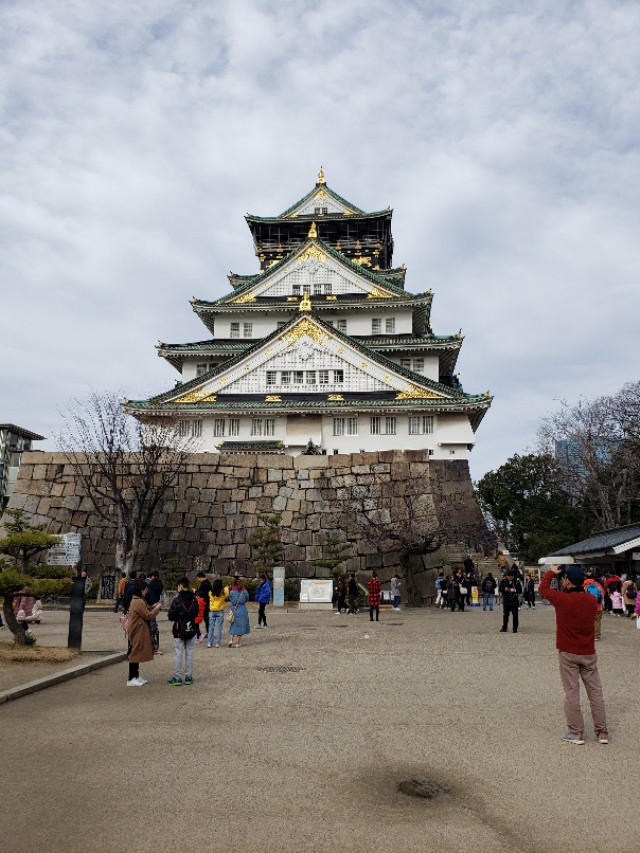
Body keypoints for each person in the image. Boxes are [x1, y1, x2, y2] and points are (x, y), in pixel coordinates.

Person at [539, 565, 608, 745]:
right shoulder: (591, 601)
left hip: (568, 651)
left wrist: (551, 572)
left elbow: (543, 589)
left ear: (568, 580)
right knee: (595, 692)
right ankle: (602, 731)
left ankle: (576, 732)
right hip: (588, 651)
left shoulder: (562, 600)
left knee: (572, 692)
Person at [126, 579, 161, 686]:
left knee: (135, 652)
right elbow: (148, 616)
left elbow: (145, 611)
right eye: (145, 590)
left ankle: (135, 676)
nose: (146, 592)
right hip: (138, 630)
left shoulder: (136, 600)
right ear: (141, 590)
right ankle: (132, 678)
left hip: (136, 630)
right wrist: (157, 608)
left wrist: (152, 607)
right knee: (135, 653)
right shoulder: (139, 601)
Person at [167, 578, 199, 685]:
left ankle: (178, 677)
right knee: (190, 652)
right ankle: (189, 676)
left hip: (178, 629)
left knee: (178, 653)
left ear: (180, 586)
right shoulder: (194, 599)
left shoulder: (177, 600)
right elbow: (196, 613)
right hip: (191, 628)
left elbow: (171, 616)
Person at [228, 577, 250, 647]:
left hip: (234, 609)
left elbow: (230, 599)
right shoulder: (245, 592)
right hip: (242, 610)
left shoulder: (231, 592)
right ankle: (237, 643)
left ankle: (231, 640)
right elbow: (247, 599)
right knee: (240, 627)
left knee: (233, 625)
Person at [583, 570, 605, 641]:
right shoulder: (598, 585)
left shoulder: (584, 586)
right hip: (598, 606)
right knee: (597, 621)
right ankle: (596, 636)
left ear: (585, 577)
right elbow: (603, 594)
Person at [499, 568, 522, 633]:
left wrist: (514, 590)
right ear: (506, 576)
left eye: (511, 577)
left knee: (515, 615)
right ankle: (504, 627)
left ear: (513, 576)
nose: (509, 578)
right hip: (506, 601)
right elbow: (500, 589)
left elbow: (520, 590)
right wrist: (505, 590)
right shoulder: (503, 581)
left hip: (514, 601)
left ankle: (515, 628)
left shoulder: (516, 581)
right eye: (508, 576)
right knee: (505, 615)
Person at [208, 577, 229, 647]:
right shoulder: (223, 593)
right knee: (219, 628)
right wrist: (226, 587)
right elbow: (227, 593)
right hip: (220, 611)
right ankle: (217, 643)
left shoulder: (210, 592)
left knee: (211, 628)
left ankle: (209, 643)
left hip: (212, 611)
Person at [196, 572, 213, 637]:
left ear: (201, 577)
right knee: (206, 619)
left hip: (205, 603)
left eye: (198, 578)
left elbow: (201, 593)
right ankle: (208, 632)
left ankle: (208, 633)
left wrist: (196, 592)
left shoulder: (205, 584)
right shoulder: (207, 583)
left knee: (205, 618)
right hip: (206, 603)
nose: (197, 580)